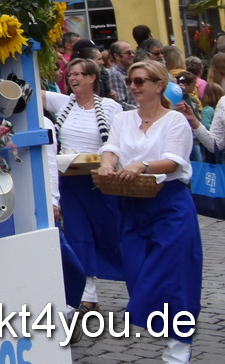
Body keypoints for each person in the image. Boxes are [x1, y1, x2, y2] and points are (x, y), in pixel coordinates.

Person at [97, 60, 201, 364]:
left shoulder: (175, 121)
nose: (134, 86)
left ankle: (179, 344)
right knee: (136, 271)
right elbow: (111, 147)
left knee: (173, 274)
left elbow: (173, 161)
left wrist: (142, 164)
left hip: (170, 205)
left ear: (159, 85)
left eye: (141, 81)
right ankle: (163, 324)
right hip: (131, 205)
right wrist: (106, 163)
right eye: (131, 80)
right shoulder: (123, 118)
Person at [42, 57, 124, 312]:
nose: (73, 78)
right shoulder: (65, 103)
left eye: (78, 74)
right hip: (70, 180)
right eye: (70, 74)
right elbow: (34, 91)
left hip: (101, 179)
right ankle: (87, 296)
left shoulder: (110, 107)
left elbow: (118, 140)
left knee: (111, 231)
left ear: (92, 78)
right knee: (78, 235)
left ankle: (132, 280)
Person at [104, 40, 135, 109]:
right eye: (128, 53)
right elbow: (119, 103)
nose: (132, 55)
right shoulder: (115, 75)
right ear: (117, 56)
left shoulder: (127, 72)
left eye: (133, 52)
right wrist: (139, 110)